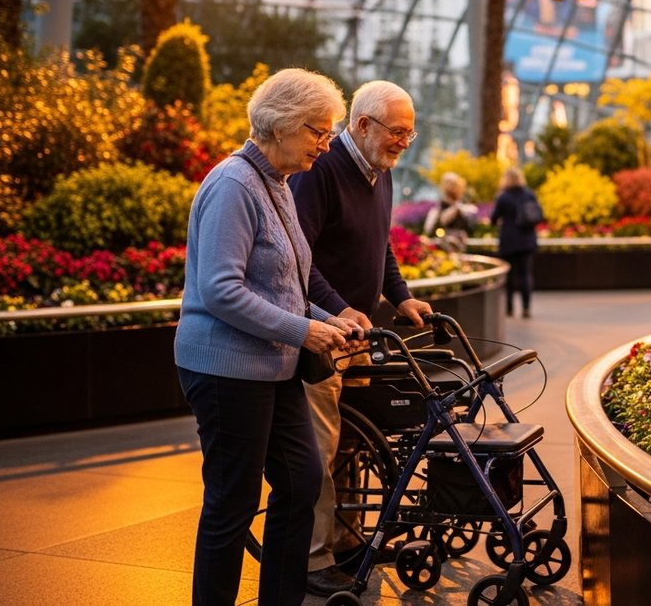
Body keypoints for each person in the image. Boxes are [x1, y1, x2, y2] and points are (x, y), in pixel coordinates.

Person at [174, 68, 362, 606]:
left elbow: (282, 284)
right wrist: (306, 330)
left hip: (272, 365)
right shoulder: (234, 185)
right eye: (317, 132)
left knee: (302, 482)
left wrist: (330, 319)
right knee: (232, 503)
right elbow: (220, 290)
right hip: (224, 368)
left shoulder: (275, 183)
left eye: (328, 133)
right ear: (278, 126)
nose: (325, 145)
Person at [289, 79, 432, 596]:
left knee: (354, 444)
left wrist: (401, 296)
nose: (402, 141)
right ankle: (312, 558)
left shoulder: (379, 170)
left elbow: (381, 246)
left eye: (409, 134)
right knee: (322, 449)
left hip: (361, 334)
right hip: (325, 335)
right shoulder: (319, 170)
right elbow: (297, 257)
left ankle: (348, 544)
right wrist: (339, 308)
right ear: (363, 124)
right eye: (396, 131)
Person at [490, 166, 540, 317]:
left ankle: (509, 308)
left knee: (510, 276)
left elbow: (494, 218)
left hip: (509, 241)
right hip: (527, 240)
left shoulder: (503, 197)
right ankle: (526, 308)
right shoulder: (529, 194)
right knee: (526, 274)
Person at [422, 171, 478, 253]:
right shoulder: (441, 207)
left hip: (459, 246)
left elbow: (469, 227)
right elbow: (435, 228)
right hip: (445, 246)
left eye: (454, 184)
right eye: (450, 184)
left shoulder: (461, 206)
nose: (452, 188)